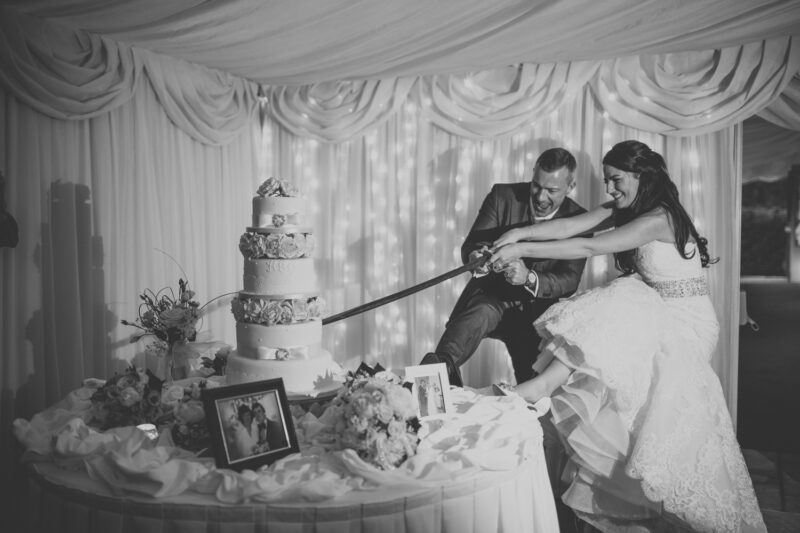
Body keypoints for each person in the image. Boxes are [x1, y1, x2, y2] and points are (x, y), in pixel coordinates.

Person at [489, 140, 766, 532]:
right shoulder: (630, 208)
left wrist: (521, 249)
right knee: (621, 397)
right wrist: (516, 234)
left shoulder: (661, 216)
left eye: (616, 180)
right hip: (656, 310)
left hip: (687, 322)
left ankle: (539, 387)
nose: (610, 189)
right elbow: (572, 225)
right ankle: (622, 506)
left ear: (641, 175)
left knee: (626, 293)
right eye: (606, 181)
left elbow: (589, 244)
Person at [421, 147, 588, 387]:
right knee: (471, 322)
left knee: (534, 390)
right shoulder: (502, 196)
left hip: (535, 317)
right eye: (536, 186)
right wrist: (477, 257)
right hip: (491, 299)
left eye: (552, 191)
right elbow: (472, 245)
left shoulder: (579, 218)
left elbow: (569, 280)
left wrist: (529, 278)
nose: (540, 197)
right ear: (532, 174)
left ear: (571, 186)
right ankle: (434, 377)